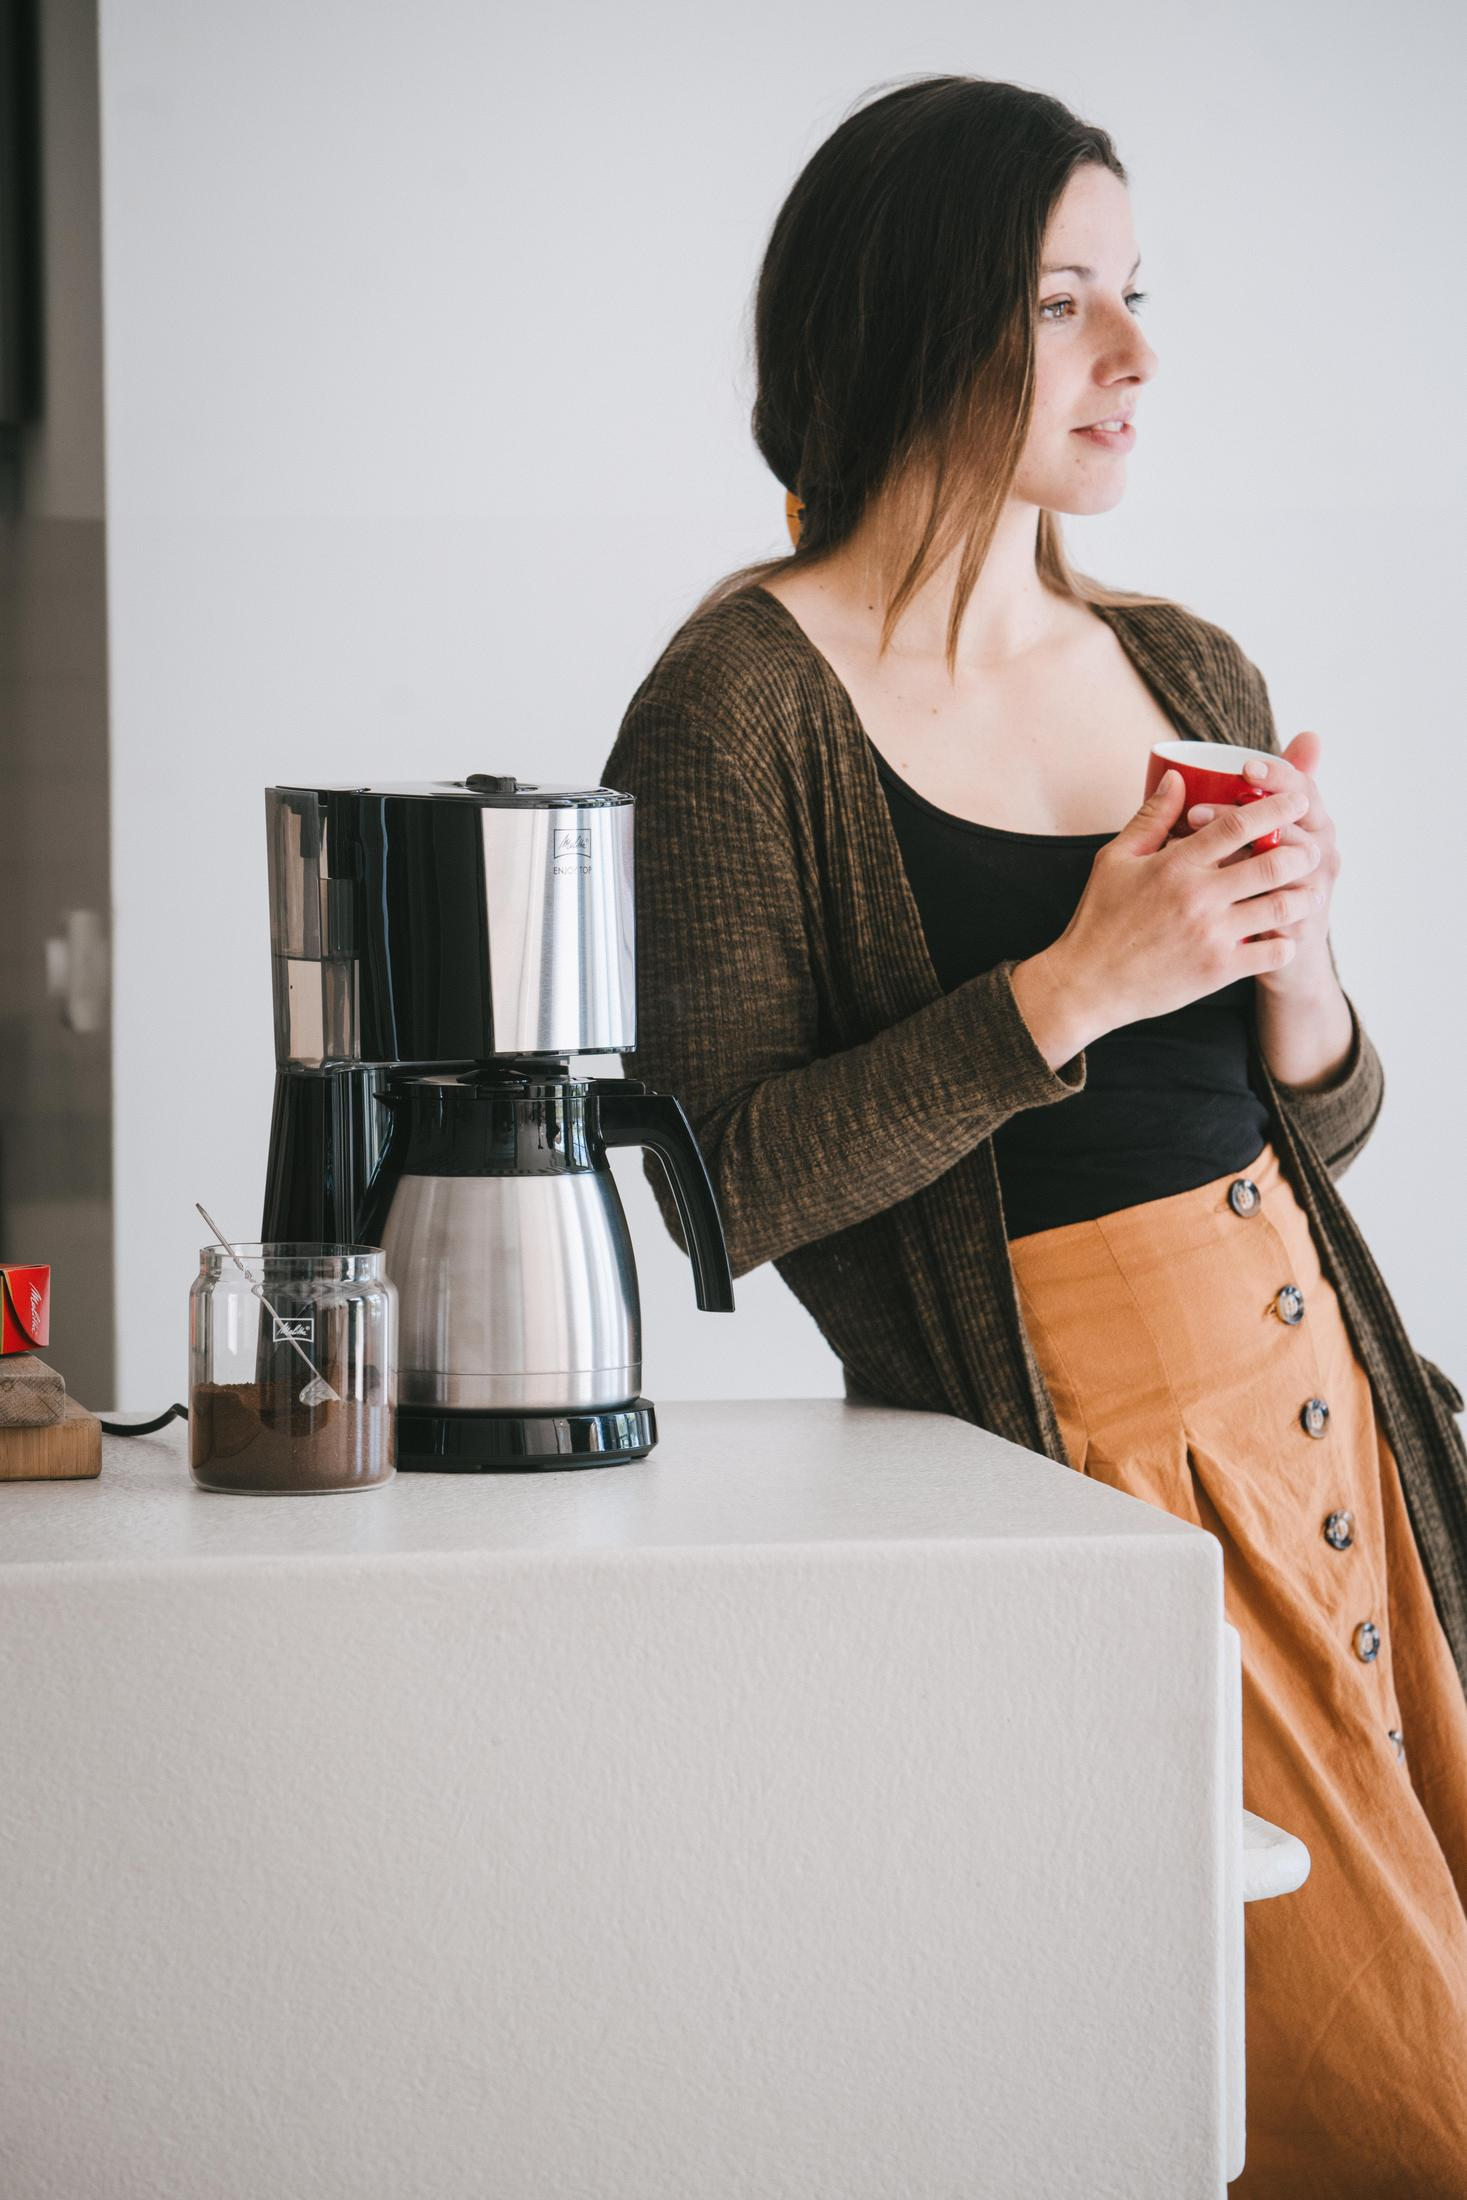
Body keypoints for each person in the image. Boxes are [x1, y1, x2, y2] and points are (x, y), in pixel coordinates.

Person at [602, 74, 1467, 2194]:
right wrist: (1074, 983)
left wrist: (1292, 961)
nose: (1136, 355)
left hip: (1349, 1426)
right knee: (1374, 2098)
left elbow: (1319, 1115)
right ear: (912, 321)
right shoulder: (734, 708)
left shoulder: (1178, 657)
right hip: (1096, 1489)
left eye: (1133, 295)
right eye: (1064, 300)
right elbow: (720, 1185)